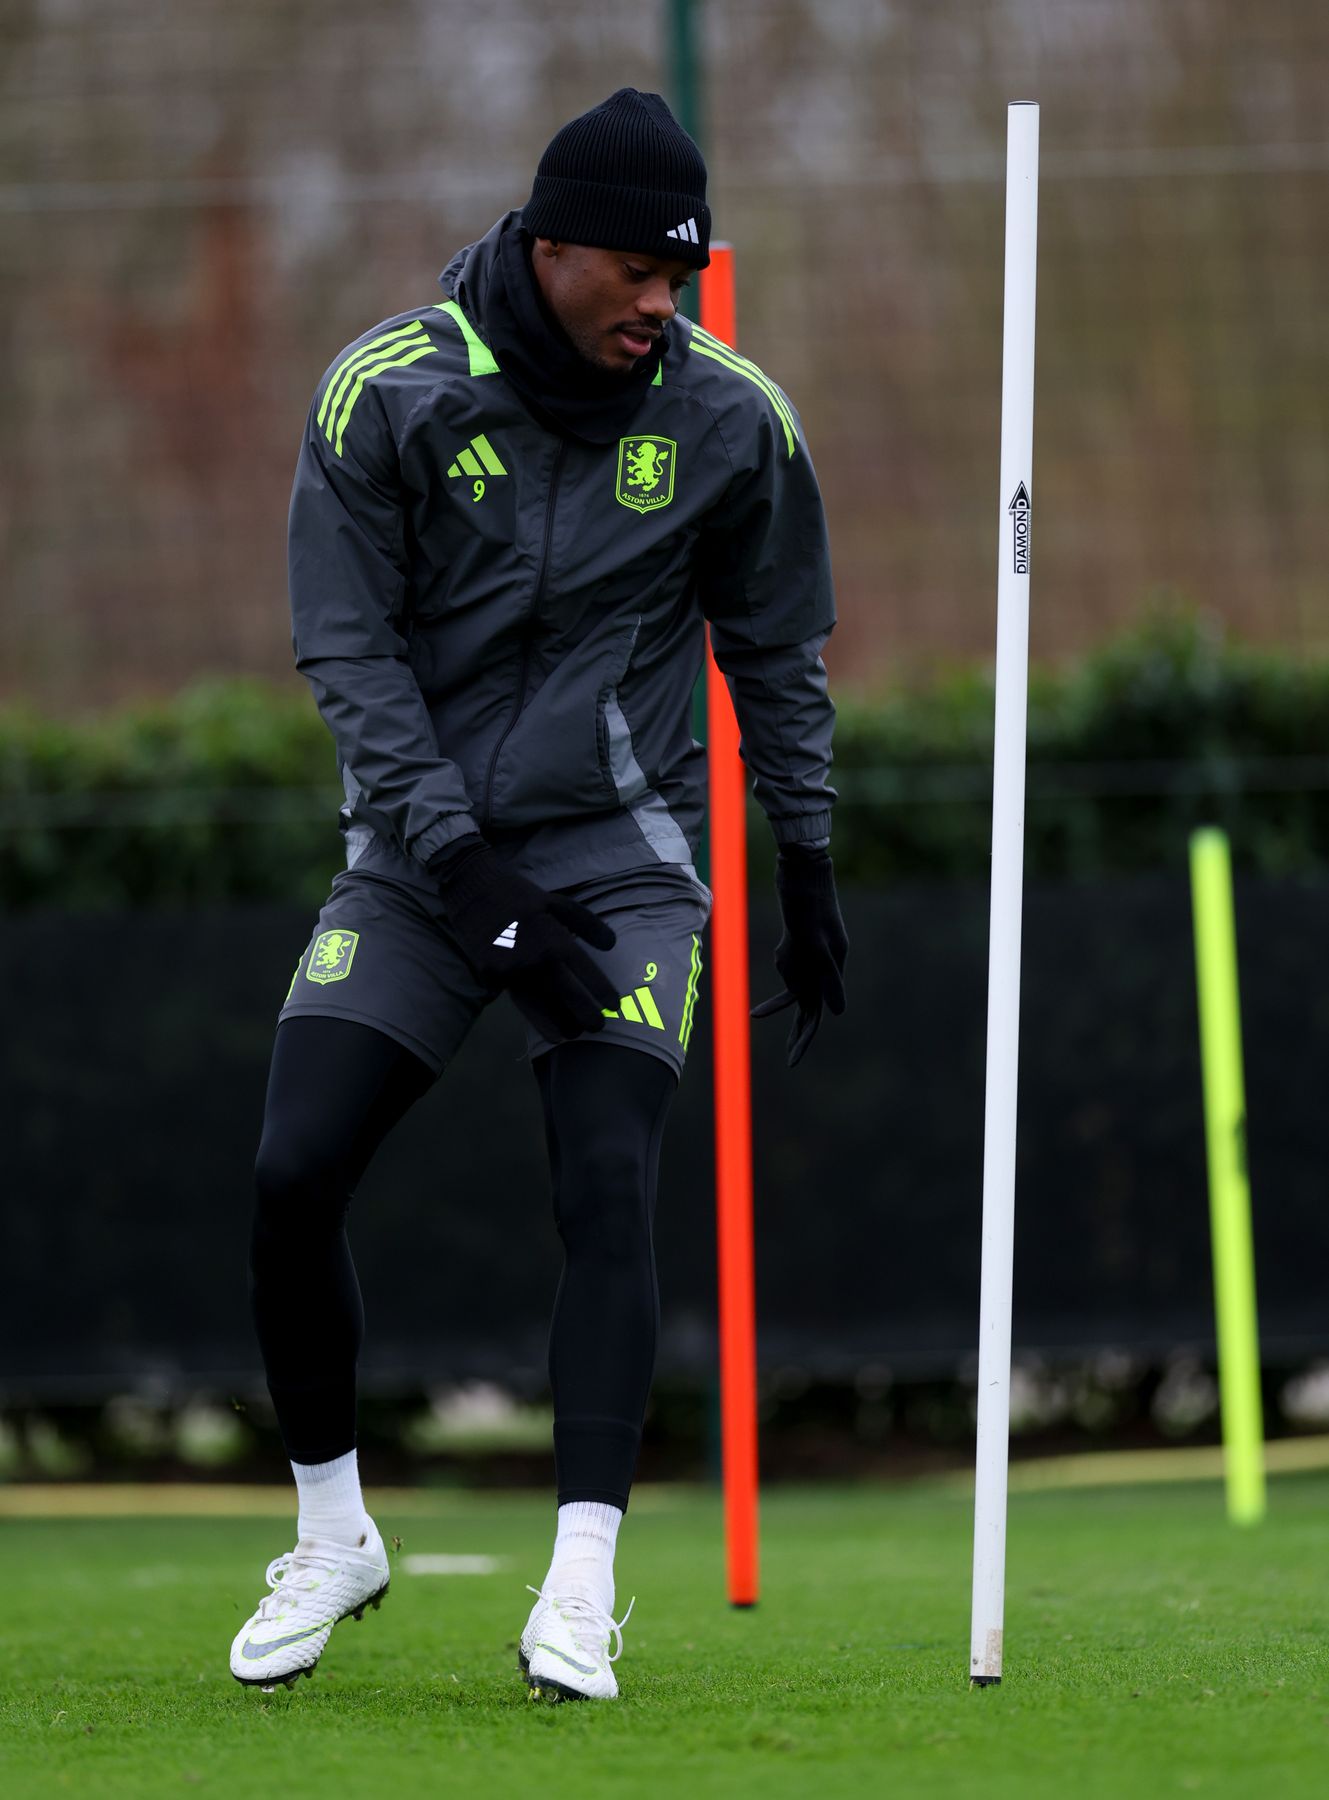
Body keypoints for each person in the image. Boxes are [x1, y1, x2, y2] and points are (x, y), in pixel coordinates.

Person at [230, 87, 847, 1703]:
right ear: (551, 245)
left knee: (603, 1179)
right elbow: (349, 655)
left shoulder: (730, 420)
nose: (669, 304)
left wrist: (813, 864)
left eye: (688, 277)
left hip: (625, 874)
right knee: (294, 1170)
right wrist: (457, 865)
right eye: (642, 274)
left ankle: (580, 1582)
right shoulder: (391, 391)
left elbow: (777, 656)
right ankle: (331, 1533)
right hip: (425, 865)